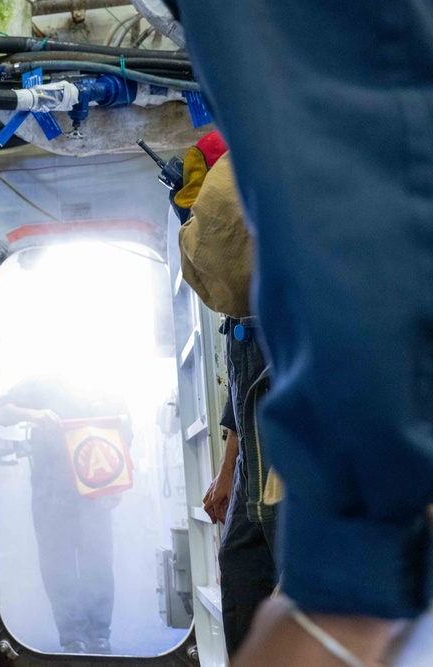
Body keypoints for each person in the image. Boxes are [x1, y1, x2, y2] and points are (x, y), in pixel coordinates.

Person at [168, 2, 433, 664]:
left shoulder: (283, 61)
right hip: (289, 468)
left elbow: (365, 234)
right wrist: (229, 469)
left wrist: (349, 589)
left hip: (354, 483)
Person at [174, 131, 281, 656]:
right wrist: (226, 470)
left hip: (291, 468)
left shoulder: (288, 295)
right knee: (241, 565)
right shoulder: (241, 314)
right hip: (253, 471)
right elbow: (243, 401)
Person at [0, 376, 132, 655]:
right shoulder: (41, 385)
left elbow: (122, 435)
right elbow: (2, 410)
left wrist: (117, 485)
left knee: (99, 562)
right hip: (50, 491)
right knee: (58, 567)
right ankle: (73, 637)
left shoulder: (104, 387)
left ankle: (99, 635)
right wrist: (33, 414)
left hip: (95, 490)